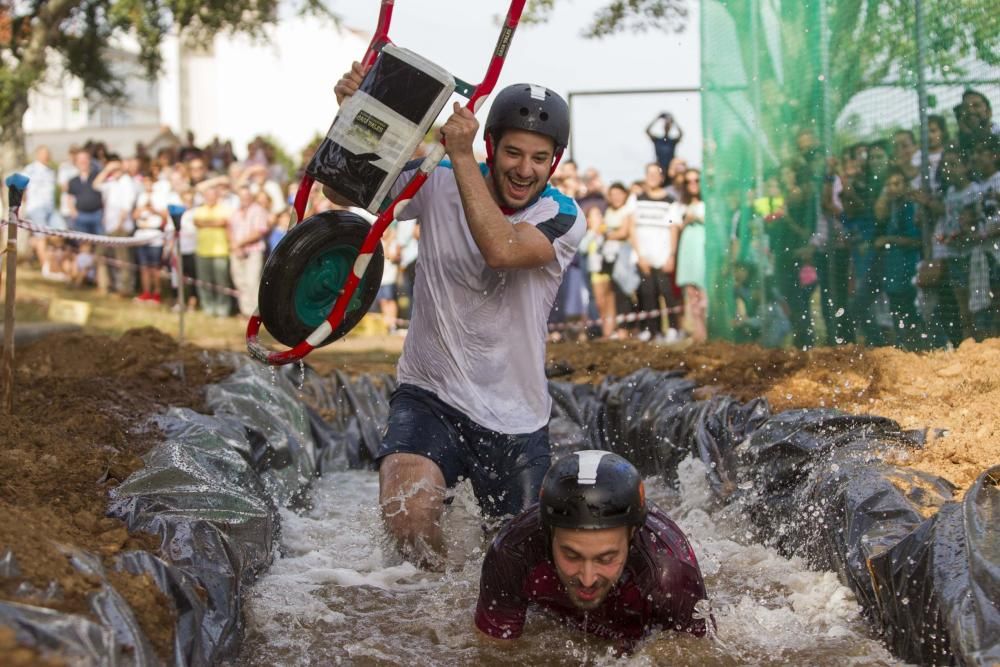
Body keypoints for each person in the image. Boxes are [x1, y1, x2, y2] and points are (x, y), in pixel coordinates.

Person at [330, 65, 586, 569]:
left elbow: (502, 249)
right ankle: (430, 628)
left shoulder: (563, 215)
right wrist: (359, 115)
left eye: (540, 158)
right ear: (492, 147)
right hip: (429, 392)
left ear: (554, 163)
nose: (524, 169)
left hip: (515, 416)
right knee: (408, 521)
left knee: (519, 569)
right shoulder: (439, 174)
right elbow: (342, 191)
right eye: (513, 153)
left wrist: (461, 154)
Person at [475, 450, 709, 646]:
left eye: (606, 558)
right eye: (571, 555)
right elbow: (493, 652)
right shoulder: (513, 552)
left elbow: (698, 654)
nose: (587, 579)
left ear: (632, 535)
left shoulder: (669, 575)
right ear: (547, 534)